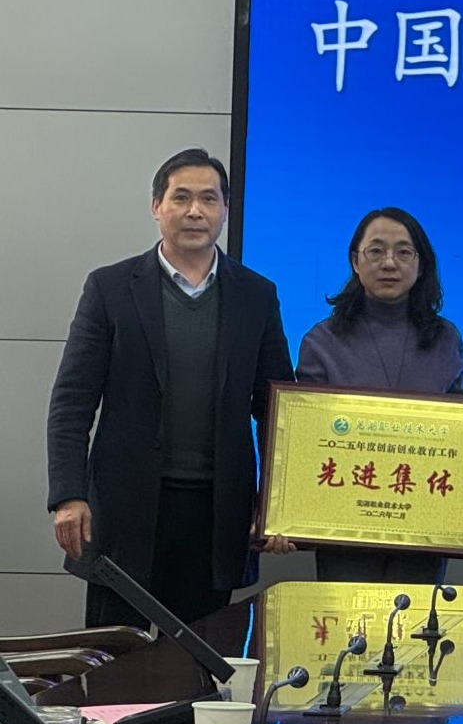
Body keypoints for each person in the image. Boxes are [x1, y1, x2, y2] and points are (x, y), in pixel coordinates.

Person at [45, 148, 293, 627]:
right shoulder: (111, 287)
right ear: (157, 206)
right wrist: (68, 495)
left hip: (216, 513)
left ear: (225, 210)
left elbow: (276, 408)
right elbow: (72, 402)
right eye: (181, 197)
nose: (195, 211)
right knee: (115, 656)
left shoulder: (256, 295)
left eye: (209, 199)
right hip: (124, 508)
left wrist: (278, 504)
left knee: (200, 659)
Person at [291, 207, 463, 584]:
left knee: (415, 620)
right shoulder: (322, 341)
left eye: (403, 252)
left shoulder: (445, 338)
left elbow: (459, 427)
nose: (389, 263)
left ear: (420, 264)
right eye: (375, 251)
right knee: (348, 620)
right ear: (355, 261)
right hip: (344, 525)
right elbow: (306, 439)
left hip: (423, 525)